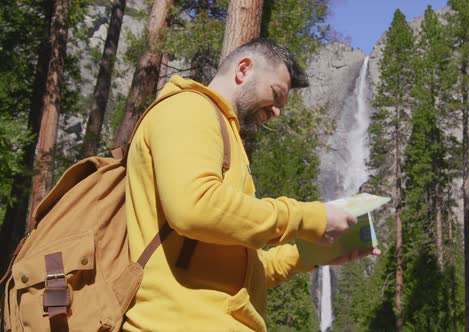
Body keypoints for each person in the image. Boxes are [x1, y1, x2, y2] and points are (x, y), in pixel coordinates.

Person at [123, 38, 380, 331]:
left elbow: (245, 270)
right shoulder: (189, 107)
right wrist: (310, 217)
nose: (277, 112)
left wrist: (308, 253)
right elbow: (194, 207)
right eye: (276, 93)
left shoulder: (224, 135)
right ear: (243, 69)